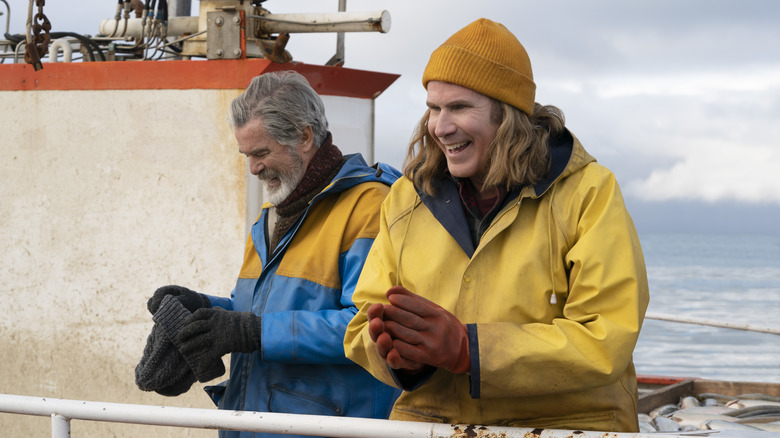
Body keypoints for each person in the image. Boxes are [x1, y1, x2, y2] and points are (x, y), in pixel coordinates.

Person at [343, 18, 649, 432]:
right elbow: (363, 319)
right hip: (433, 423)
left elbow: (606, 337)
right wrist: (400, 355)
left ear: (509, 116)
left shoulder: (589, 192)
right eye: (434, 108)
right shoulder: (405, 198)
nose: (440, 126)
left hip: (568, 424)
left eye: (460, 107)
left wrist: (469, 351)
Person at [142, 70, 401, 438]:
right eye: (246, 155)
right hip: (256, 426)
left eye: (261, 152)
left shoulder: (371, 208)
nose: (253, 168)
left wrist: (254, 332)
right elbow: (255, 315)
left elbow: (371, 327)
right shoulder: (272, 214)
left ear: (304, 137)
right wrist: (203, 308)